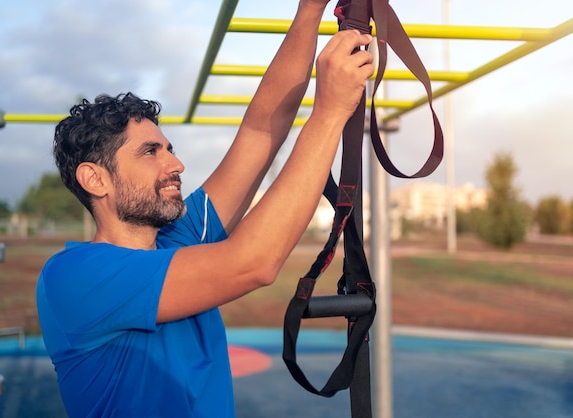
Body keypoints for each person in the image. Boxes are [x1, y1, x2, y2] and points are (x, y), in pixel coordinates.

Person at [36, 0, 374, 416]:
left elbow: (259, 132)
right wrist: (330, 112)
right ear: (95, 179)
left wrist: (309, 9)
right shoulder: (74, 277)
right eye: (150, 152)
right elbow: (253, 262)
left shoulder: (178, 239)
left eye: (170, 149)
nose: (175, 164)